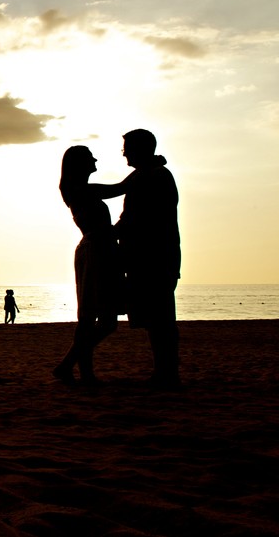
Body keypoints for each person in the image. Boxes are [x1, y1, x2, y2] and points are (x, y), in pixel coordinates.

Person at [91, 129, 182, 389]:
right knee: (157, 319)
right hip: (146, 258)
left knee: (162, 320)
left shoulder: (154, 177)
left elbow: (131, 213)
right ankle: (164, 372)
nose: (124, 153)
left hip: (155, 259)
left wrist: (78, 189)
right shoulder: (145, 175)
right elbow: (120, 196)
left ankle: (168, 374)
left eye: (127, 147)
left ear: (141, 149)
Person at [53, 146, 122, 385]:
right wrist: (150, 168)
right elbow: (120, 188)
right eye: (90, 157)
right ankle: (79, 370)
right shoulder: (82, 191)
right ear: (80, 164)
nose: (95, 159)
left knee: (103, 320)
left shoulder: (80, 191)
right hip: (96, 251)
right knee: (94, 318)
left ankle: (72, 366)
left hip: (100, 249)